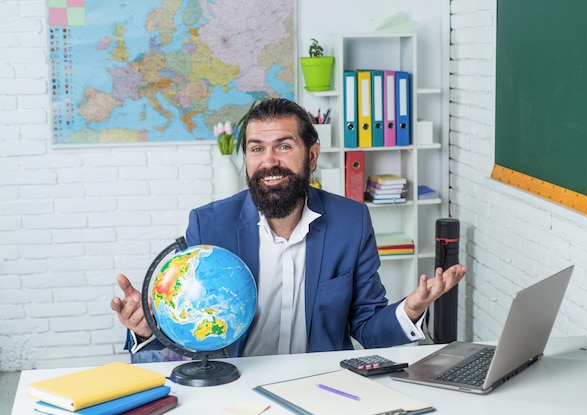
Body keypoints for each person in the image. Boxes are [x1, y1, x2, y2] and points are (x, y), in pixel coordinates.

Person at [110, 97, 467, 358]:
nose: (269, 162)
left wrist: (412, 308)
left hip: (321, 388)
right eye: (256, 149)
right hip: (235, 388)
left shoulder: (351, 222)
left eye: (283, 146)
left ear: (311, 155)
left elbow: (368, 328)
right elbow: (186, 329)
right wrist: (147, 329)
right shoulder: (209, 224)